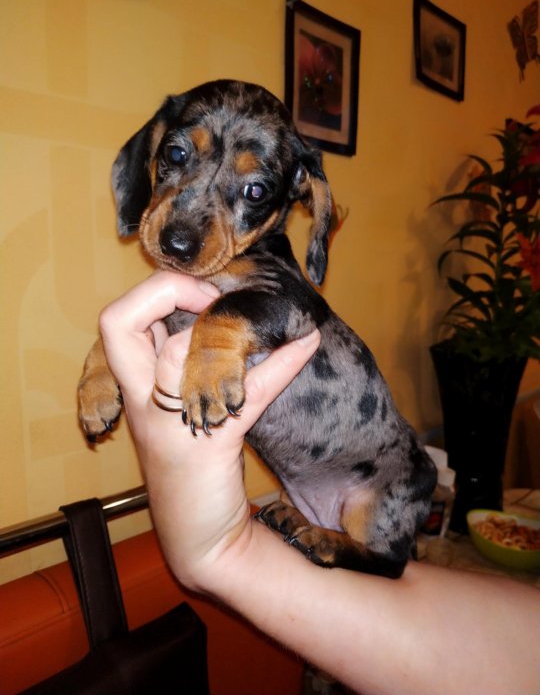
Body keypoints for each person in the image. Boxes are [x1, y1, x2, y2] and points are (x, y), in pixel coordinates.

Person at [99, 270, 540, 695]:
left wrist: (222, 554)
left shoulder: (272, 282)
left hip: (379, 473)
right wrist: (102, 366)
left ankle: (362, 554)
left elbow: (280, 311)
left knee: (402, 497)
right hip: (307, 495)